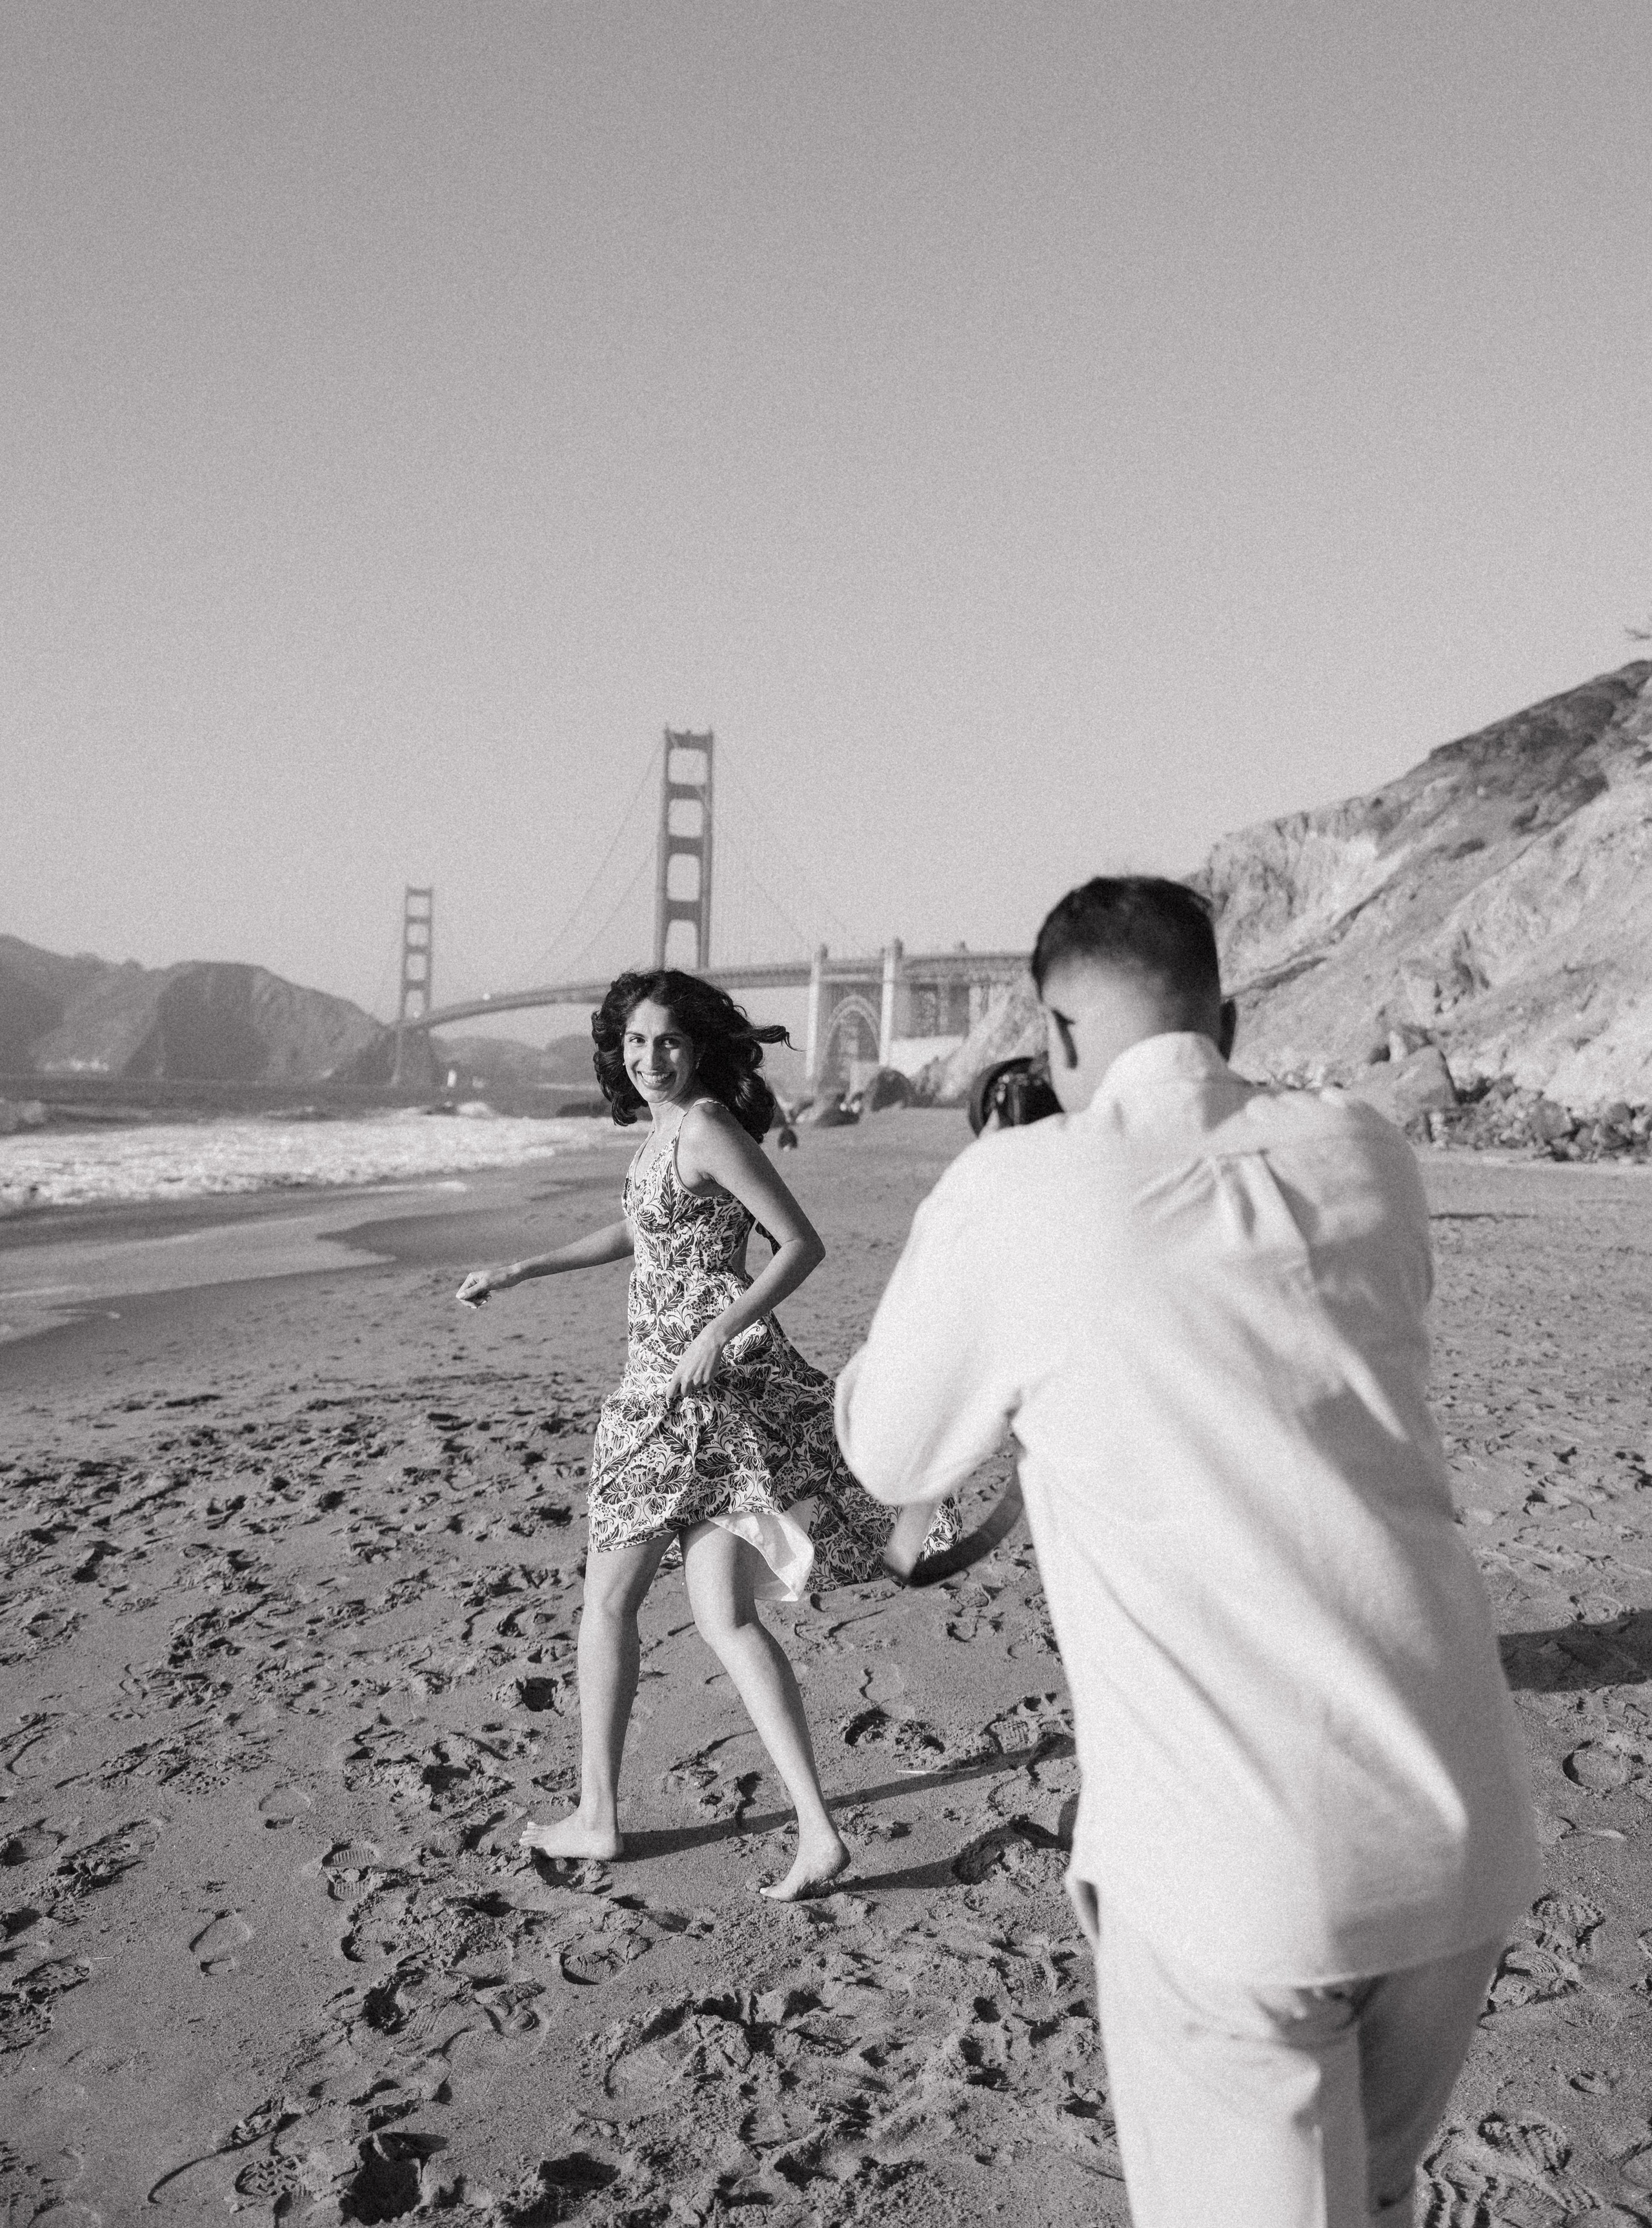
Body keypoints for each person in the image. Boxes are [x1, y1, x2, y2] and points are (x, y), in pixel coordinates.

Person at [836, 877, 1538, 2226]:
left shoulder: (1017, 1191)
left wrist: (972, 1205)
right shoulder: (1364, 1155)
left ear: (1047, 1034)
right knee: (1375, 2199)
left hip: (1233, 1868)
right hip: (1455, 1829)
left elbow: (891, 1455)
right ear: (1229, 1014)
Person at [458, 967, 949, 1901]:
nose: (650, 1059)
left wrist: (720, 1331)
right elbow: (639, 1234)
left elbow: (801, 1242)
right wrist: (522, 1267)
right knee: (723, 1617)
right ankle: (816, 1833)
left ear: (700, 1047)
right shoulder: (661, 1135)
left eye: (669, 1043)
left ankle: (599, 1818)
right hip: (677, 1389)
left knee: (608, 1606)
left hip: (679, 1397)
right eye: (635, 1043)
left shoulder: (708, 1124)